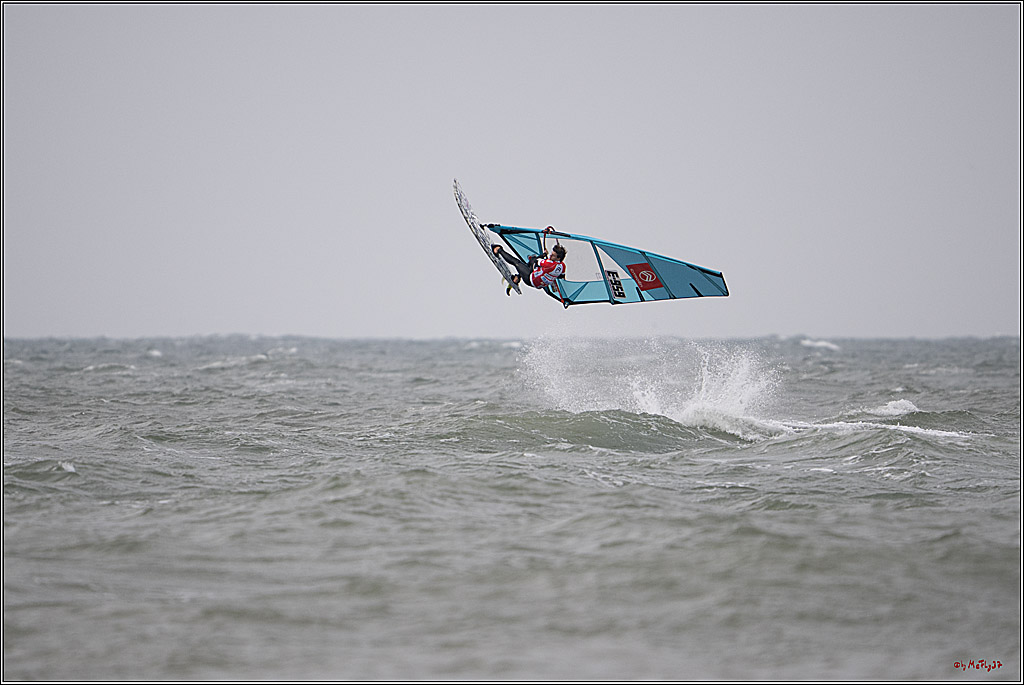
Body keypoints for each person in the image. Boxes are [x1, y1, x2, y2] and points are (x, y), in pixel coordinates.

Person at [491, 227, 567, 296]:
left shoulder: (549, 264)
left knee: (517, 262)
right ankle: (518, 277)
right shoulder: (562, 266)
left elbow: (535, 261)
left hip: (530, 279)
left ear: (558, 258)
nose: (550, 256)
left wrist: (543, 254)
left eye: (553, 255)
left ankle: (498, 250)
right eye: (551, 254)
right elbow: (561, 277)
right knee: (531, 264)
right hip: (538, 282)